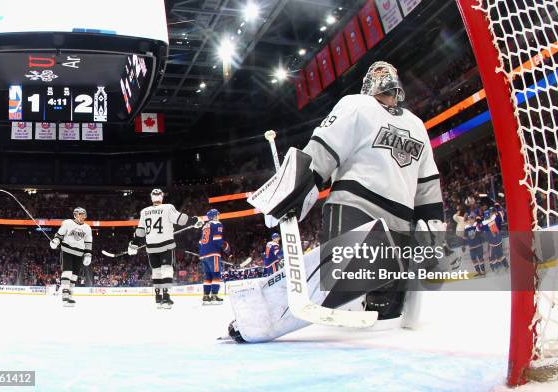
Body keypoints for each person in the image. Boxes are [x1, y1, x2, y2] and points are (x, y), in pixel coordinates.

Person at [231, 61, 445, 342]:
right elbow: (322, 152)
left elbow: (427, 186)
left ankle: (268, 315)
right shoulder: (357, 105)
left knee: (386, 313)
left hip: (399, 220)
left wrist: (433, 239)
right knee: (342, 281)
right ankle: (253, 319)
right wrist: (293, 192)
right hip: (356, 205)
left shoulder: (415, 124)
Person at [128, 189, 203, 309]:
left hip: (151, 247)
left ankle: (158, 297)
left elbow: (140, 231)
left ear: (151, 197)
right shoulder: (168, 208)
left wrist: (134, 244)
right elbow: (181, 219)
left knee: (156, 271)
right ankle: (166, 296)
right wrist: (194, 221)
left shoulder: (144, 211)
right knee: (167, 269)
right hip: (166, 245)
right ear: (161, 197)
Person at [50, 207, 92, 307]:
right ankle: (64, 296)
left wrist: (88, 254)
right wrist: (56, 241)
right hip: (67, 251)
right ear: (75, 215)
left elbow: (88, 243)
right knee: (67, 272)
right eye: (81, 214)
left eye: (84, 214)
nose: (83, 216)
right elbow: (59, 235)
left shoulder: (87, 228)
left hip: (79, 254)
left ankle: (69, 295)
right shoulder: (67, 223)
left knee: (74, 276)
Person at [198, 209, 230, 304]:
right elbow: (217, 239)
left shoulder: (204, 226)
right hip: (213, 253)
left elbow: (200, 242)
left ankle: (206, 296)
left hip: (203, 254)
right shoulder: (217, 224)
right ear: (214, 216)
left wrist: (202, 253)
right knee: (216, 274)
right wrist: (226, 247)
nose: (218, 216)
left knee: (208, 276)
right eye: (217, 215)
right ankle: (214, 296)